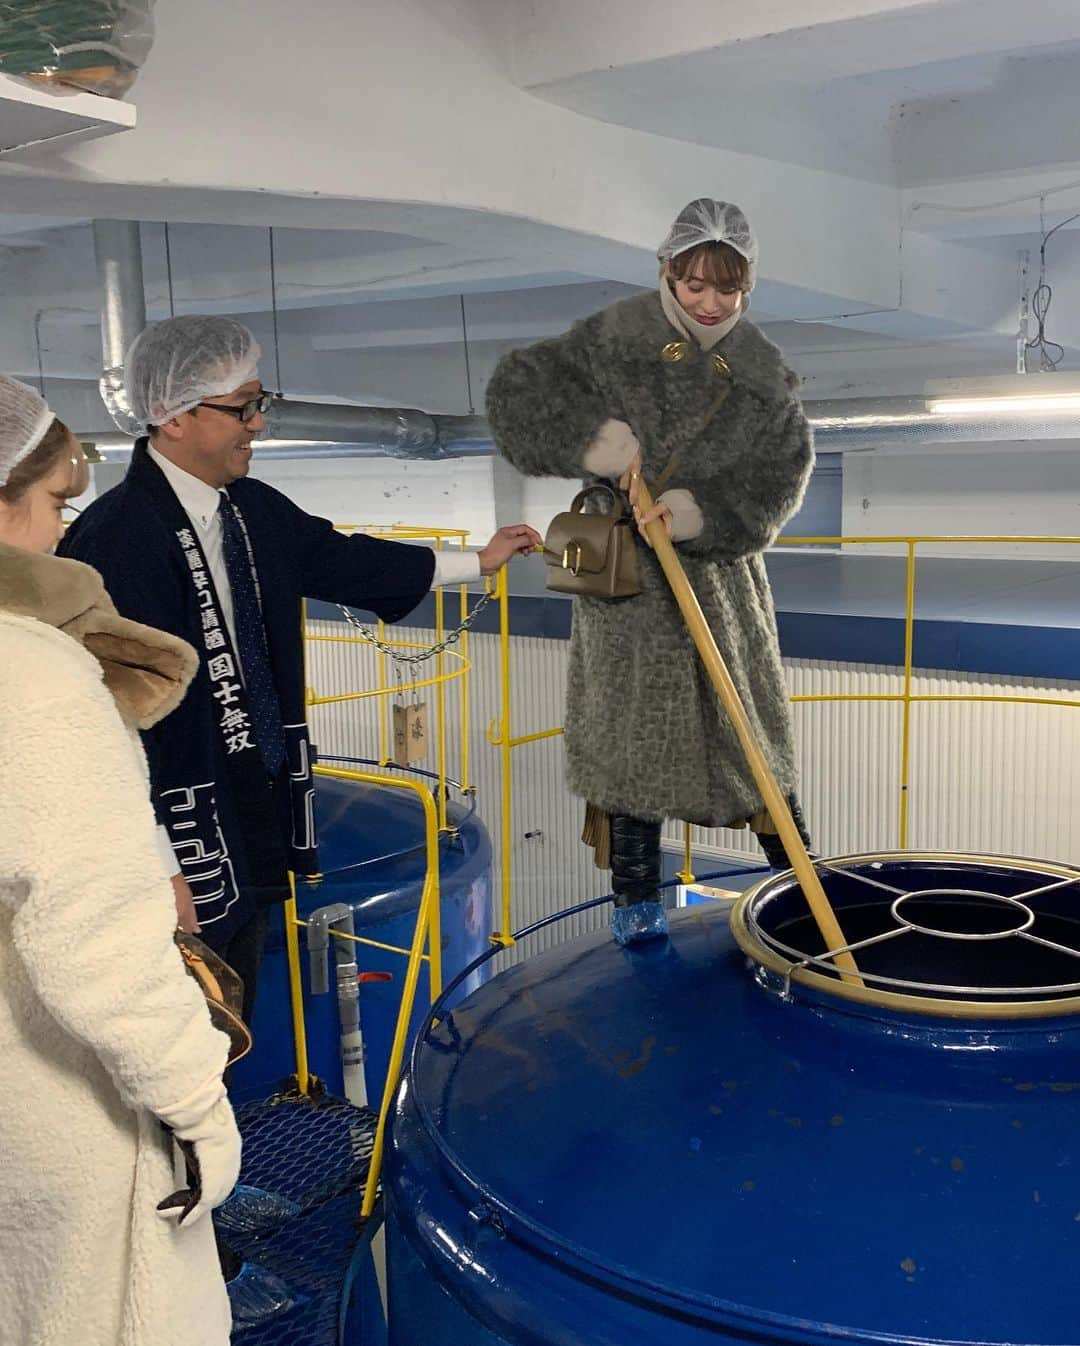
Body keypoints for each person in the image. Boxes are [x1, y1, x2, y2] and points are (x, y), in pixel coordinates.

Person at [59, 315, 541, 1022]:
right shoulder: (114, 539)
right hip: (180, 819)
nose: (256, 425)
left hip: (253, 791)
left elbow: (345, 560)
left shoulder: (250, 509)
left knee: (237, 997)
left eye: (260, 405)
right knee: (180, 1021)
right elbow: (108, 723)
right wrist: (159, 859)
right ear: (175, 418)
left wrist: (480, 559)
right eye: (241, 409)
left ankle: (222, 1129)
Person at [486, 198, 815, 946]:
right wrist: (593, 442)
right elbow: (518, 392)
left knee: (749, 733)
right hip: (625, 579)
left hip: (718, 584)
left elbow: (779, 477)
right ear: (667, 273)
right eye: (693, 283)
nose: (708, 302)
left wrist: (699, 511)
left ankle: (803, 889)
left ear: (747, 287)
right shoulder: (613, 338)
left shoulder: (763, 376)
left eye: (725, 288)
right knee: (630, 741)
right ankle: (635, 908)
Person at [0, 376, 239, 1346]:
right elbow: (96, 947)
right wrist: (202, 1110)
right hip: (63, 1117)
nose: (64, 530)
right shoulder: (36, 673)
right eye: (56, 502)